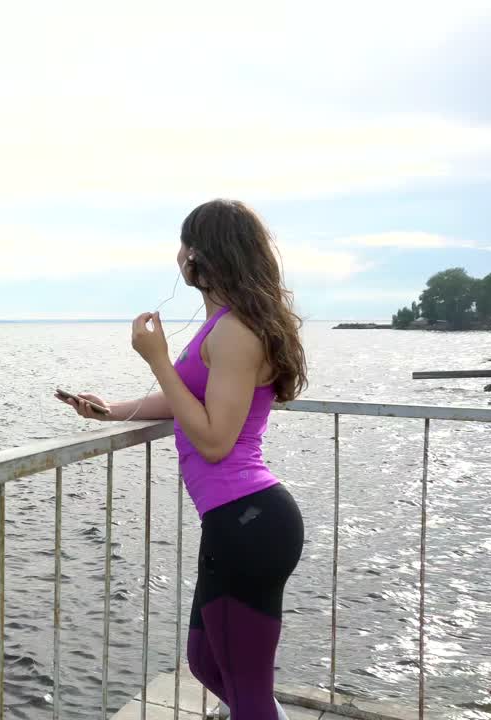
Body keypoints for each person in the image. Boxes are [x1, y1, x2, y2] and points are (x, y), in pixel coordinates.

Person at [62, 199, 307, 720]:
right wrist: (113, 411)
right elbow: (186, 402)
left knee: (248, 691)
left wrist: (155, 359)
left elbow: (215, 440)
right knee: (205, 663)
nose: (177, 255)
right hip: (239, 522)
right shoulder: (222, 323)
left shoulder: (235, 331)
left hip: (248, 521)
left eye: (183, 244)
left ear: (202, 253)